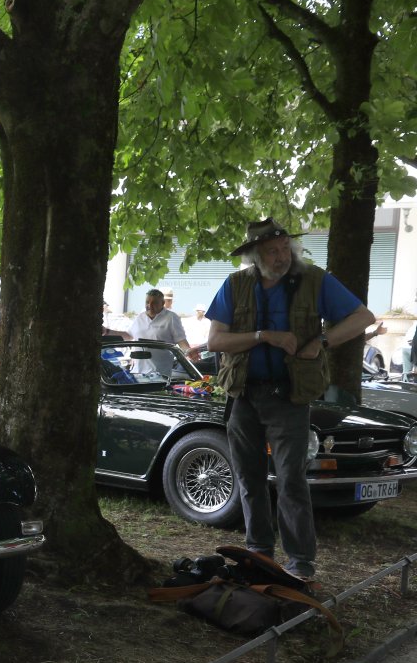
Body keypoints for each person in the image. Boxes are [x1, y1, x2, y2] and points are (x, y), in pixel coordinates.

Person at [206, 217, 376, 580]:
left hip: (290, 396)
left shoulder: (313, 280)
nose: (282, 256)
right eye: (272, 251)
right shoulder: (235, 285)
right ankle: (258, 554)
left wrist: (323, 341)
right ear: (255, 255)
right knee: (249, 478)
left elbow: (363, 317)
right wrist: (263, 335)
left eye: (285, 248)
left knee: (291, 480)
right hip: (244, 394)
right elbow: (215, 341)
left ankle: (300, 563)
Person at [127, 288, 192, 375]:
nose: (150, 305)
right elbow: (128, 335)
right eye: (147, 302)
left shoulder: (171, 317)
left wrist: (189, 351)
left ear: (162, 303)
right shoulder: (139, 317)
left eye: (154, 303)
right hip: (137, 373)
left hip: (160, 375)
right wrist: (109, 332)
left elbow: (181, 341)